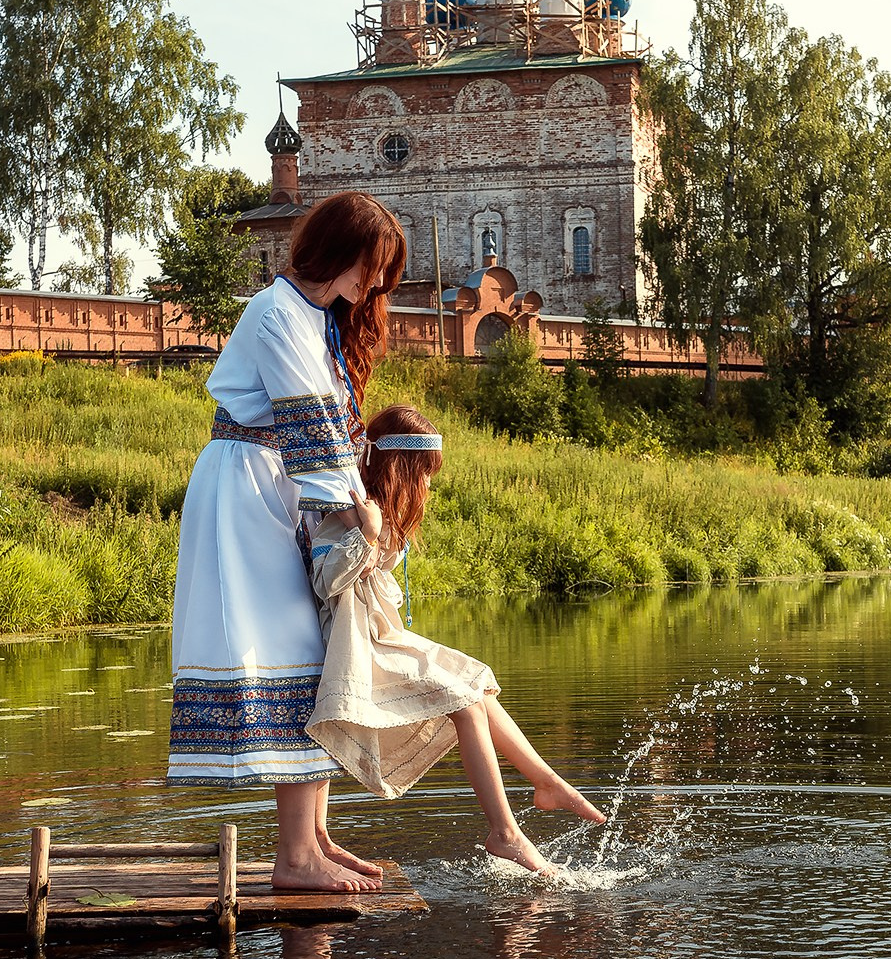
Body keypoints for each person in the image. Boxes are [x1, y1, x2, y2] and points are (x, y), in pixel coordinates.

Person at [166, 192, 404, 893]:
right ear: (341, 251)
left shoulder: (311, 319)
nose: (375, 285)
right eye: (373, 267)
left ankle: (314, 839)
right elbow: (312, 426)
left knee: (316, 647)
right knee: (298, 648)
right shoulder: (275, 313)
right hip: (249, 486)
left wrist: (354, 500)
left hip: (278, 484)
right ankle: (295, 855)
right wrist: (358, 507)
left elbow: (328, 425)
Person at [303, 404, 605, 874]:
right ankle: (504, 833)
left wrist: (378, 533)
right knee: (464, 701)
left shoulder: (378, 518)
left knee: (477, 684)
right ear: (399, 469)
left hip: (382, 639)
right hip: (355, 650)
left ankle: (546, 781)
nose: (427, 486)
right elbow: (327, 584)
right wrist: (367, 533)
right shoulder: (352, 517)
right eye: (423, 474)